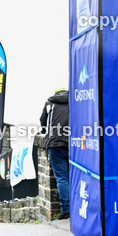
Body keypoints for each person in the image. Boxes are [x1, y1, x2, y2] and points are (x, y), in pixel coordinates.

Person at [40, 88, 70, 219]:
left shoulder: (49, 103)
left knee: (62, 178)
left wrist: (44, 131)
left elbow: (43, 122)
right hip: (74, 144)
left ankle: (66, 209)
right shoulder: (74, 101)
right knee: (76, 176)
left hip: (55, 145)